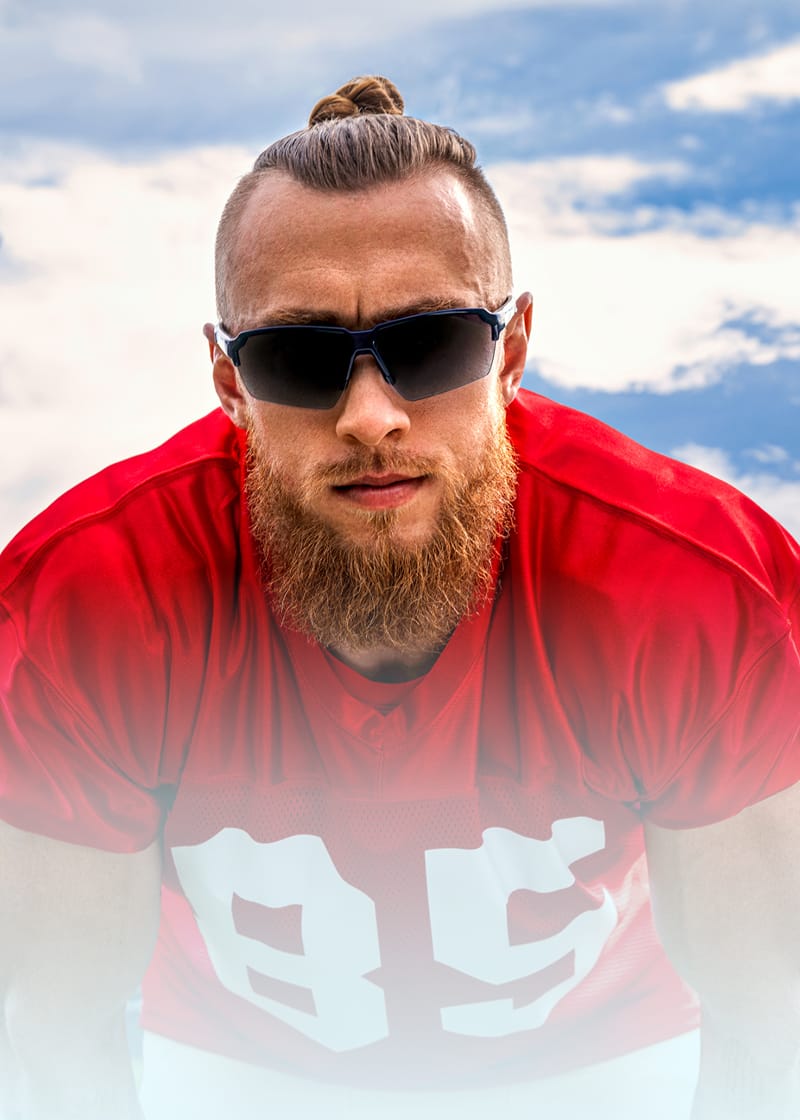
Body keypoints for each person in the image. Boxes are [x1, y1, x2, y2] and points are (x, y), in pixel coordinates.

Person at [1, 74, 799, 1120]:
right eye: (298, 357)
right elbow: (56, 1039)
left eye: (429, 345)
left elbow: (771, 1020)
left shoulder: (696, 589)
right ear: (228, 379)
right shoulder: (90, 600)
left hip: (612, 1067)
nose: (370, 415)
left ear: (509, 352)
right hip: (236, 1076)